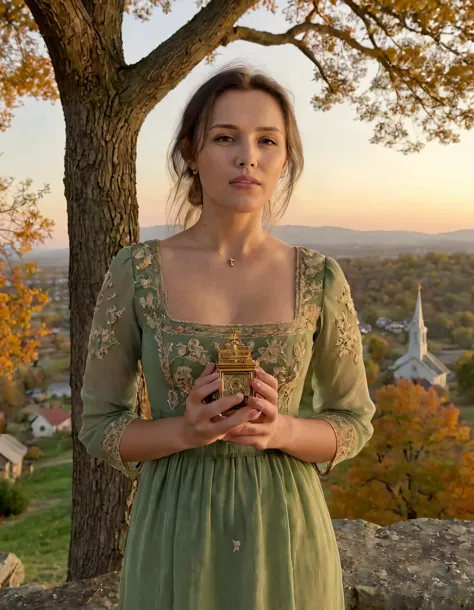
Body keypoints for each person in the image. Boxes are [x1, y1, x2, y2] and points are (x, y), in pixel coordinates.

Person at [79, 62, 376, 610]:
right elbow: (99, 426)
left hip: (288, 533)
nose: (248, 156)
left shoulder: (320, 277)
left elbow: (354, 423)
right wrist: (184, 432)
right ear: (191, 153)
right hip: (175, 532)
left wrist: (283, 428)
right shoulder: (135, 272)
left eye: (267, 140)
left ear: (285, 159)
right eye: (225, 138)